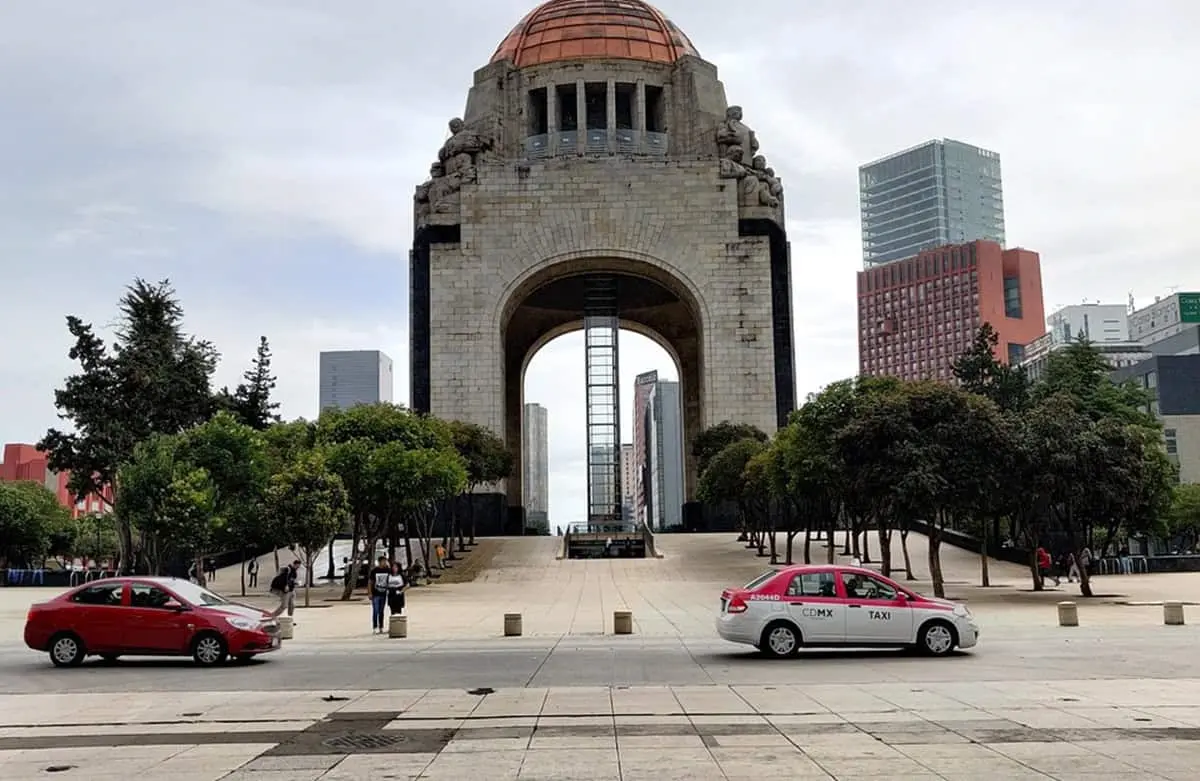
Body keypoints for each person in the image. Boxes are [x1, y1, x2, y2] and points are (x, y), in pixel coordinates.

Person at [368, 556, 390, 634]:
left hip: (383, 593)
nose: (385, 563)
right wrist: (370, 593)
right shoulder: (374, 571)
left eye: (386, 561)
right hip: (375, 594)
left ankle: (381, 626)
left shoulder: (387, 570)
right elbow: (370, 582)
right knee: (375, 610)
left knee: (381, 611)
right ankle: (375, 627)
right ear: (379, 562)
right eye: (383, 561)